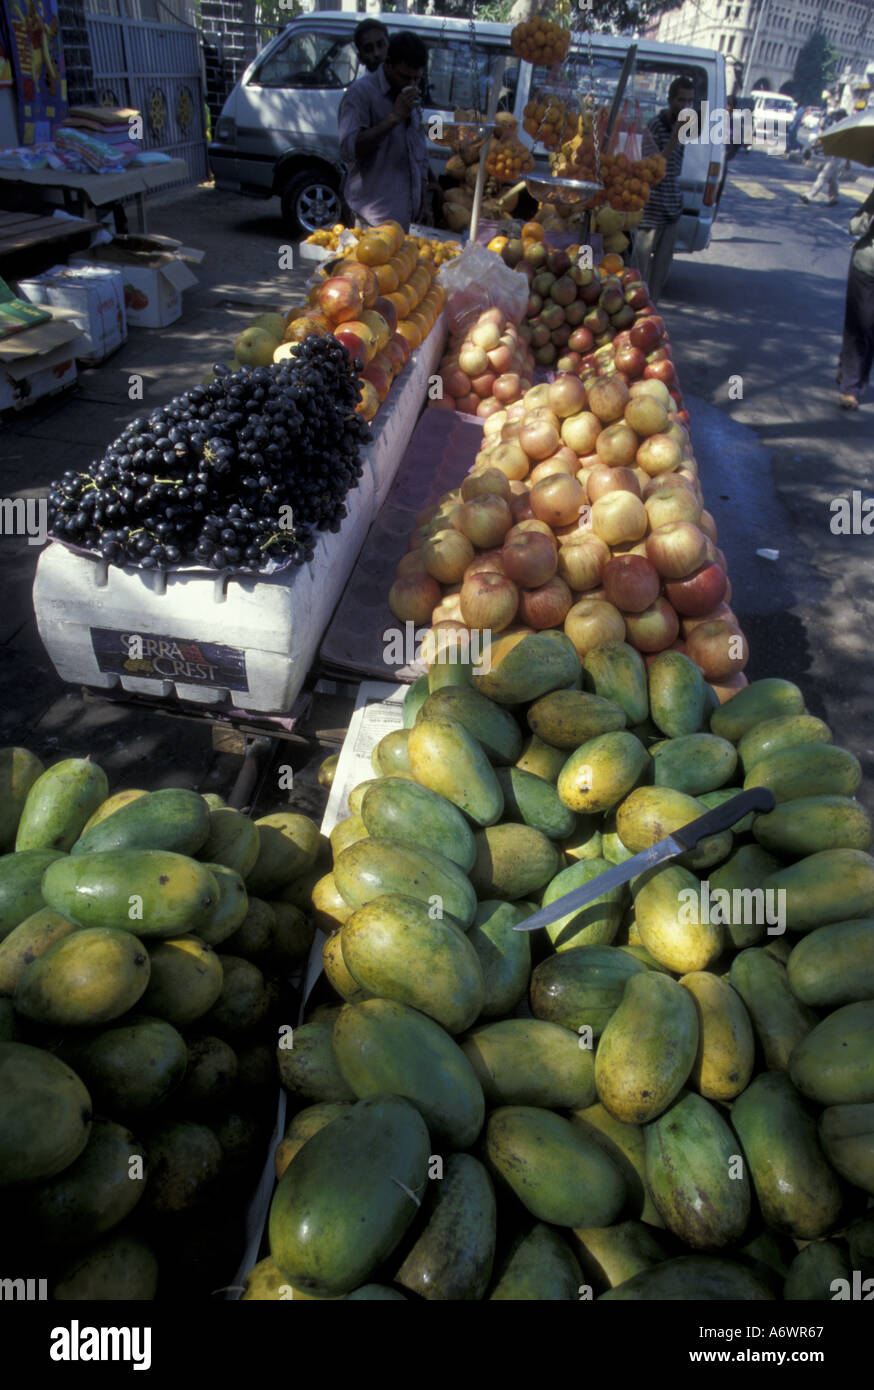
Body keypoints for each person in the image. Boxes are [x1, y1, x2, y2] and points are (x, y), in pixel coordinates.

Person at [338, 31, 430, 233]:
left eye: (417, 79)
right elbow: (349, 149)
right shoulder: (361, 94)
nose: (412, 85)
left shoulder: (412, 97)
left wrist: (425, 198)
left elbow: (418, 151)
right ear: (388, 64)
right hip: (370, 220)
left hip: (406, 220)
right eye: (405, 77)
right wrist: (394, 118)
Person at [633, 76, 695, 304]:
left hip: (671, 210)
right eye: (680, 100)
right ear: (670, 100)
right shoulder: (656, 127)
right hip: (651, 211)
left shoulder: (684, 127)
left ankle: (651, 310)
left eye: (689, 101)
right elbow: (653, 166)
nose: (685, 106)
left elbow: (675, 168)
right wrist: (674, 138)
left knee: (660, 273)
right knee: (640, 270)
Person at [837, 186, 874, 409]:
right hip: (866, 268)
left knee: (872, 330)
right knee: (860, 325)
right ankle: (851, 387)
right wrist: (869, 217)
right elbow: (853, 225)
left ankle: (849, 370)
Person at [800, 109, 849, 206]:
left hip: (836, 157)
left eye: (838, 116)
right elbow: (824, 140)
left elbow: (847, 145)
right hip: (830, 155)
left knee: (823, 176)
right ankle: (834, 197)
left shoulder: (844, 128)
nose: (836, 118)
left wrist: (848, 161)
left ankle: (810, 195)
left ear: (842, 117)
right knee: (832, 178)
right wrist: (811, 148)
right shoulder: (837, 126)